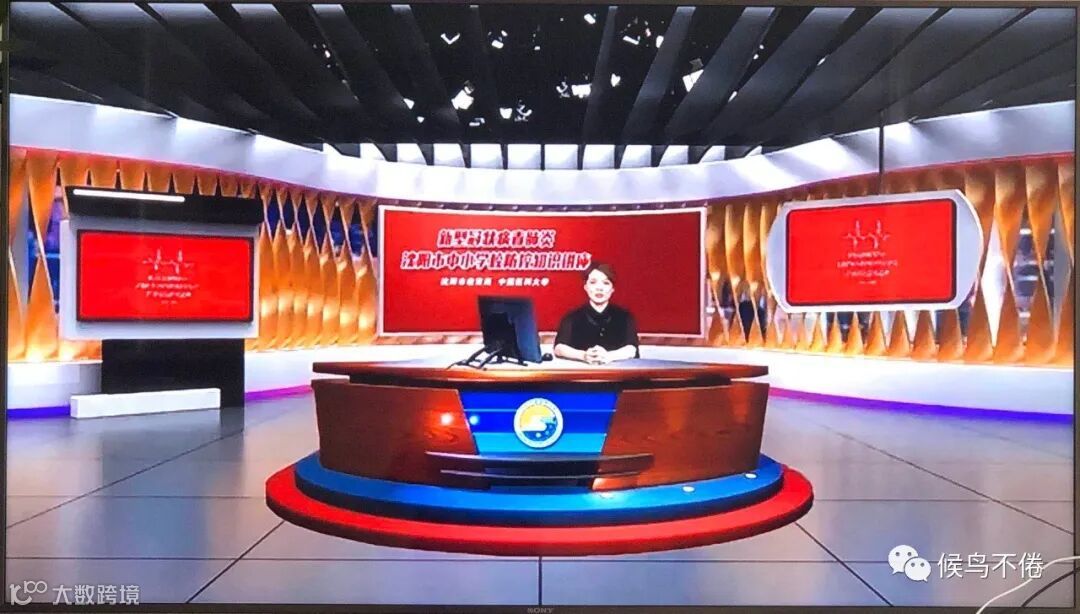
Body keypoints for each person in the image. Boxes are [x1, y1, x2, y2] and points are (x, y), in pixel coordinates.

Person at [553, 263, 640, 364]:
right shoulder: (571, 317)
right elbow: (559, 348)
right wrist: (583, 355)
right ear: (585, 287)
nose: (599, 288)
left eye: (605, 283)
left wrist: (609, 356)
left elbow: (632, 349)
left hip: (618, 372)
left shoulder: (624, 317)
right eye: (593, 282)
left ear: (612, 288)